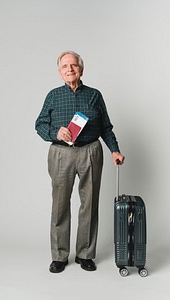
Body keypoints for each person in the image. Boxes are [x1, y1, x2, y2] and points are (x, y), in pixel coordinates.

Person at [35, 51, 125, 273]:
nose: (70, 69)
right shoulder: (53, 95)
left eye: (74, 66)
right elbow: (39, 124)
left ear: (81, 70)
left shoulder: (94, 95)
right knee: (60, 205)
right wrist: (56, 133)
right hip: (61, 153)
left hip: (90, 152)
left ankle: (85, 254)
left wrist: (115, 150)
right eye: (65, 66)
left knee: (90, 203)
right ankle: (59, 255)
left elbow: (106, 126)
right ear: (60, 72)